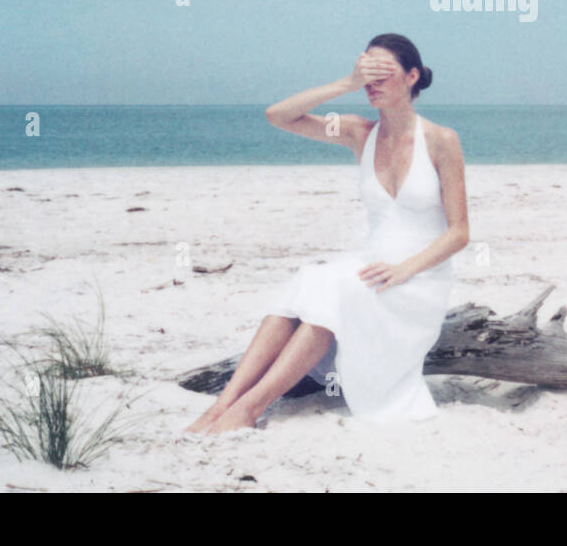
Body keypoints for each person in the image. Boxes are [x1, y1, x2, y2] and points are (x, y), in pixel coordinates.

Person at [185, 33, 469, 432]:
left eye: (380, 73)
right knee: (309, 281)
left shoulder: (442, 140)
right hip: (370, 266)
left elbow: (459, 233)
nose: (371, 83)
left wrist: (404, 270)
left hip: (418, 278)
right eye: (365, 73)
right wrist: (345, 84)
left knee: (339, 288)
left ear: (411, 76)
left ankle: (250, 409)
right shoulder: (358, 132)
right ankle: (223, 406)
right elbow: (278, 116)